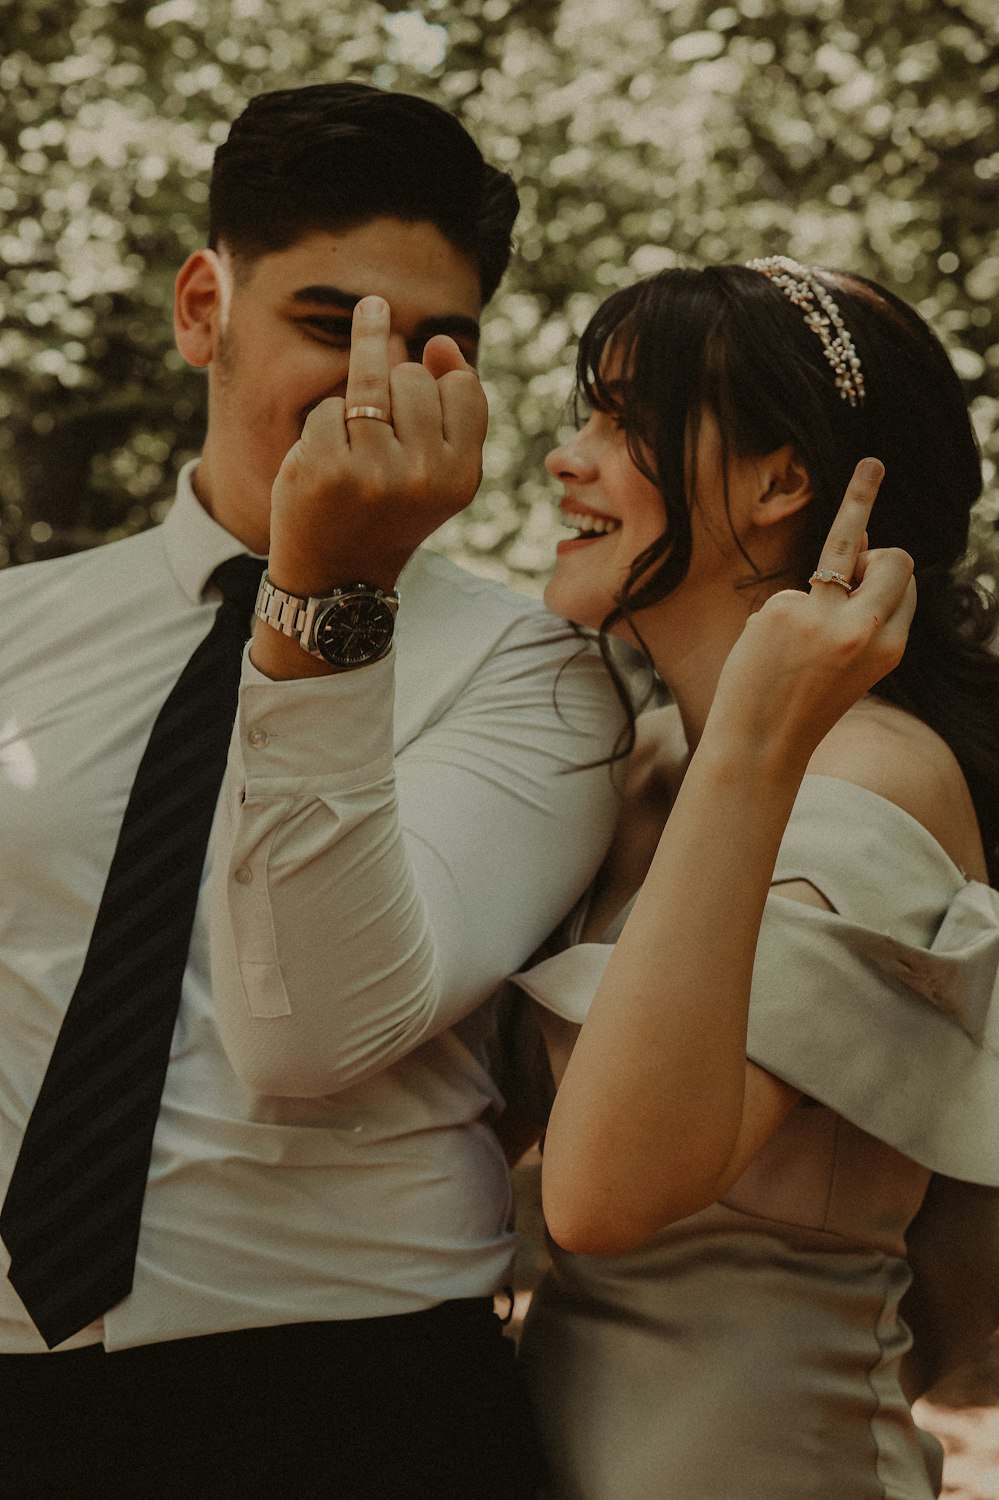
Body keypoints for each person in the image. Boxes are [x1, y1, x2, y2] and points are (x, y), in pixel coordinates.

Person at [0, 83, 621, 1498]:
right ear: (203, 307)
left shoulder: (537, 676)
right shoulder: (13, 634)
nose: (373, 378)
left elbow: (318, 1033)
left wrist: (330, 595)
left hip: (353, 1399)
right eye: (329, 323)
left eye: (431, 342)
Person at [495, 258, 999, 1499]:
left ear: (782, 481)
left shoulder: (878, 780)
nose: (569, 458)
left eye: (622, 423)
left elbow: (606, 1189)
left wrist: (762, 740)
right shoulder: (652, 756)